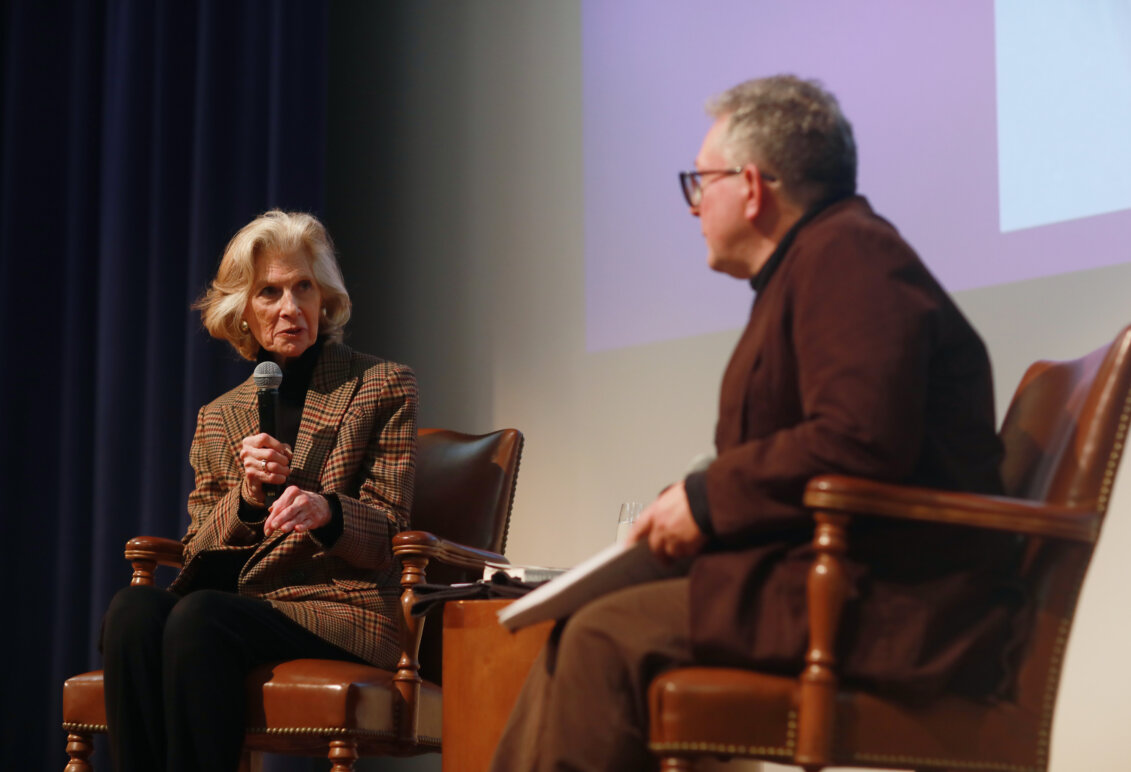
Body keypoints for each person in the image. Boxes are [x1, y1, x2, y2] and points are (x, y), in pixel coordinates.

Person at [489, 75, 1022, 771]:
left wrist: (707, 501)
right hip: (834, 580)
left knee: (602, 637)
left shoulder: (850, 255)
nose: (693, 207)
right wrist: (689, 506)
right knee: (578, 629)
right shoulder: (815, 263)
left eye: (699, 182)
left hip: (893, 604)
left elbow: (857, 438)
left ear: (750, 186)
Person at [100, 210, 419, 771]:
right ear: (243, 312)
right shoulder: (218, 416)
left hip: (340, 607)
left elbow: (388, 533)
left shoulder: (381, 385)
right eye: (270, 292)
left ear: (325, 298)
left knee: (199, 616)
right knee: (132, 611)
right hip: (249, 605)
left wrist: (326, 510)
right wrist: (247, 498)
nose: (291, 307)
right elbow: (197, 548)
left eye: (304, 288)